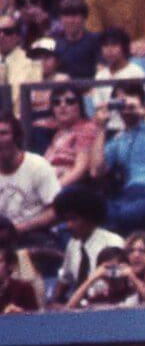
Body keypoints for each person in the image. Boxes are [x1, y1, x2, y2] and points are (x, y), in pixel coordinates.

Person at [94, 82, 145, 235]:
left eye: (129, 97)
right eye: (120, 100)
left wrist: (143, 112)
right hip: (130, 194)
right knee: (95, 212)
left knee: (129, 214)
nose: (125, 103)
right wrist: (100, 128)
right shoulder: (120, 138)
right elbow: (96, 171)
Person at [52, 186, 123, 305]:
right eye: (66, 220)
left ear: (90, 217)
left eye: (74, 219)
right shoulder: (72, 244)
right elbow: (64, 279)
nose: (68, 226)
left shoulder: (113, 242)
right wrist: (55, 301)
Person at [0, 114, 58, 249]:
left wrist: (19, 228)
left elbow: (56, 210)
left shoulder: (37, 165)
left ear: (16, 137)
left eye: (3, 134)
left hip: (35, 236)